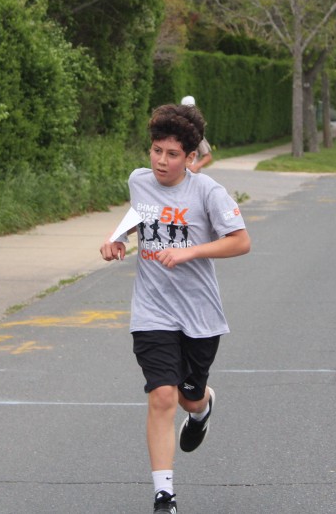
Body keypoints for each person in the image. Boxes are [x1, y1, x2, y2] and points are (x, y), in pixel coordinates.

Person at [99, 103, 251, 514]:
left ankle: (202, 408)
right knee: (162, 396)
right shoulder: (139, 181)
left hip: (199, 315)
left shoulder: (208, 192)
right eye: (156, 151)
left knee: (188, 399)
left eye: (171, 154)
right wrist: (117, 238)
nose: (161, 161)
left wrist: (189, 252)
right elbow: (140, 214)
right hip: (152, 311)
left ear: (190, 157)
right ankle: (164, 496)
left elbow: (241, 241)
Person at [180, 96, 213, 172]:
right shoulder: (176, 132)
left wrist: (196, 166)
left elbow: (208, 156)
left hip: (192, 175)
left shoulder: (197, 134)